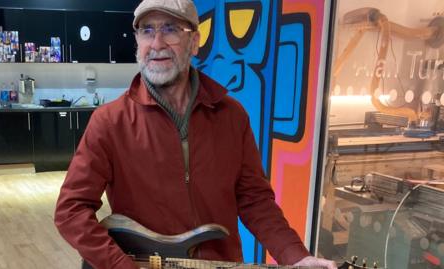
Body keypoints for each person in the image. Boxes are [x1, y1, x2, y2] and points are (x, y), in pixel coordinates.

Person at [54, 0, 337, 268]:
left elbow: (254, 199)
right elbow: (71, 210)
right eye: (147, 30)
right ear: (137, 41)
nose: (157, 43)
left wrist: (295, 255)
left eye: (171, 29)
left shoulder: (232, 116)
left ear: (195, 42)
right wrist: (119, 265)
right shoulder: (110, 122)